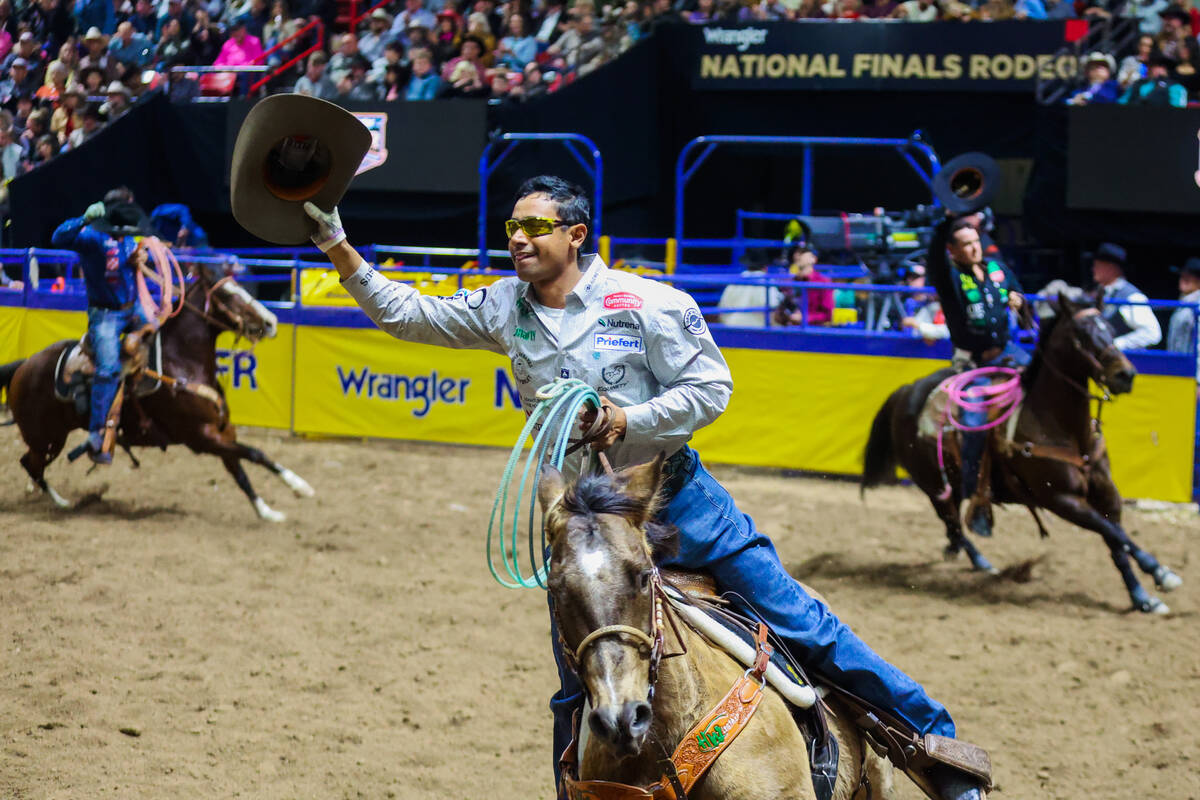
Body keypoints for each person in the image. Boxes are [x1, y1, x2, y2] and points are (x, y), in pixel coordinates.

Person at [302, 175, 989, 800]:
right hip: (585, 526)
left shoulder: (652, 303)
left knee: (805, 625)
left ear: (576, 235)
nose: (517, 238)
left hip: (677, 501)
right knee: (580, 678)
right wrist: (335, 241)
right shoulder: (500, 306)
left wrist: (630, 417)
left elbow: (712, 386)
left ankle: (936, 754)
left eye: (535, 227)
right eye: (511, 226)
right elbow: (405, 313)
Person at [927, 215, 1029, 537]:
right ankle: (975, 494)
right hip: (973, 365)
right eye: (966, 245)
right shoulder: (949, 277)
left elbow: (1023, 306)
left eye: (976, 242)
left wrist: (1019, 301)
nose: (974, 249)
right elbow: (934, 258)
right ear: (953, 251)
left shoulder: (999, 270)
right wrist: (944, 223)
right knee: (972, 425)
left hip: (1010, 354)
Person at [50, 189, 155, 465]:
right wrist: (82, 219)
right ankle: (97, 433)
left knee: (158, 326)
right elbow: (58, 237)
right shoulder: (91, 237)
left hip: (131, 308)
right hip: (105, 315)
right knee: (107, 369)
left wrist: (138, 260)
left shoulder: (128, 238)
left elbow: (135, 259)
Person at [1089, 242, 1162, 351]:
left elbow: (1151, 333)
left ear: (1111, 268)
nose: (1093, 269)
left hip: (1121, 362)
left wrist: (1115, 345)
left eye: (1097, 266)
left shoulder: (1131, 296)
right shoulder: (1100, 293)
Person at [773, 244, 834, 326]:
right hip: (791, 331)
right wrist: (783, 316)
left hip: (813, 332)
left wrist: (804, 318)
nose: (797, 255)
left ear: (813, 259)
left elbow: (828, 315)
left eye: (802, 252)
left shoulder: (823, 282)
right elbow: (781, 309)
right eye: (796, 252)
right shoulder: (791, 282)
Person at [1166, 257, 1200, 394]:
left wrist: (1198, 381)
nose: (1183, 278)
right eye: (1183, 275)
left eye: (1190, 277)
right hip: (1179, 373)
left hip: (1191, 376)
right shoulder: (1185, 303)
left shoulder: (1196, 305)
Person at [717, 258, 781, 327]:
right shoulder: (767, 281)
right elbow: (773, 307)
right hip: (758, 329)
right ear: (765, 267)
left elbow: (722, 308)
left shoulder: (736, 280)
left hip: (732, 326)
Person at [1119, 50, 1187, 106]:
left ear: (1164, 68)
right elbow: (1121, 104)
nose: (1149, 68)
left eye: (1154, 65)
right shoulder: (1138, 83)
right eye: (1148, 65)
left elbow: (1178, 111)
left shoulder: (1175, 87)